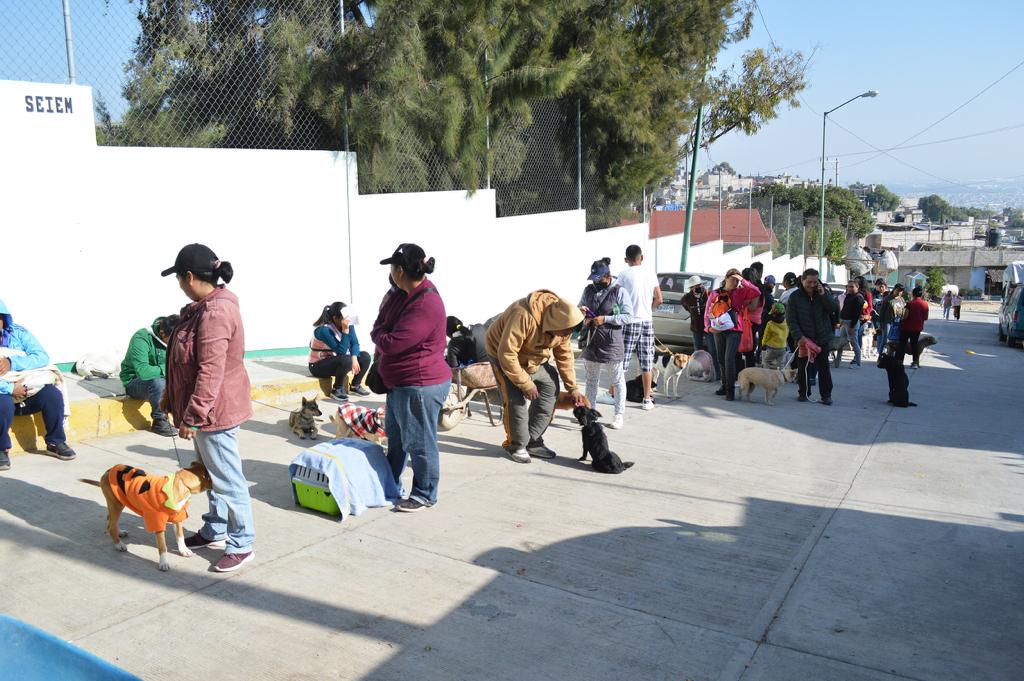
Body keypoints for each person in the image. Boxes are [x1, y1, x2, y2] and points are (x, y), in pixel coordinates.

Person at [161, 243, 255, 573]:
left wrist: (194, 416)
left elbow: (210, 371)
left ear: (189, 276)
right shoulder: (202, 308)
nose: (179, 285)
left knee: (227, 479)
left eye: (178, 279)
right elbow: (184, 364)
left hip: (214, 413)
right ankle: (216, 529)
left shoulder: (215, 313)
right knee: (211, 475)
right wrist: (170, 397)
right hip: (206, 411)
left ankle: (242, 543)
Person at [371, 244, 451, 512]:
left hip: (420, 385)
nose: (390, 273)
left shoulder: (425, 303)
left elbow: (391, 342)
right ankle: (390, 483)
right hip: (401, 385)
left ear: (400, 271)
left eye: (392, 268)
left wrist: (379, 334)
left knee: (420, 443)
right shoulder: (402, 294)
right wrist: (381, 330)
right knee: (396, 442)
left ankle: (424, 494)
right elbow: (381, 323)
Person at [486, 290, 585, 463]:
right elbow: (507, 354)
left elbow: (564, 355)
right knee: (515, 401)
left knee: (550, 388)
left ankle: (532, 440)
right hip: (503, 356)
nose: (567, 335)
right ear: (556, 323)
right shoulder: (523, 315)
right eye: (566, 331)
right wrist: (526, 384)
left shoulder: (565, 325)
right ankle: (516, 445)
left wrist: (573, 387)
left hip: (534, 358)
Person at [0, 299, 77, 471]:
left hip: (26, 389)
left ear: (4, 318)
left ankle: (55, 442)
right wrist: (11, 388)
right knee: (2, 403)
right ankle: (1, 449)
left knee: (52, 395)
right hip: (5, 394)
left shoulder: (19, 334)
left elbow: (41, 357)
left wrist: (12, 362)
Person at [578, 258, 633, 430]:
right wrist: (582, 314)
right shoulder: (588, 290)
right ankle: (590, 414)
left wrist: (606, 319)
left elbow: (628, 316)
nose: (596, 282)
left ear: (608, 275)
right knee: (591, 380)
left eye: (599, 278)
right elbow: (579, 307)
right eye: (594, 278)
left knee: (617, 380)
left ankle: (618, 415)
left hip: (611, 343)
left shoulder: (619, 291)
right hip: (591, 341)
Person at [617, 245, 662, 410]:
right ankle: (647, 399)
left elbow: (616, 296)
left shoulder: (623, 275)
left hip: (630, 321)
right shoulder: (651, 273)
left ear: (626, 260)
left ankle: (614, 394)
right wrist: (648, 310)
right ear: (641, 258)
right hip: (647, 322)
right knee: (646, 362)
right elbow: (659, 299)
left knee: (622, 361)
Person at [704, 268, 761, 401]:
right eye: (733, 279)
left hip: (735, 329)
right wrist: (708, 327)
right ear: (726, 278)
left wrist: (743, 281)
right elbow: (707, 311)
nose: (735, 282)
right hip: (718, 328)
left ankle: (730, 391)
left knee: (729, 359)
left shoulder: (740, 292)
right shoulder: (715, 293)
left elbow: (756, 291)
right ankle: (724, 385)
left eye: (737, 280)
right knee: (721, 358)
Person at [120, 315, 180, 437]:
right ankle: (159, 421)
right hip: (136, 382)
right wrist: (170, 367)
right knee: (159, 382)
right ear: (162, 333)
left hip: (164, 381)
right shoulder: (142, 338)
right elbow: (144, 372)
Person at [786, 268, 838, 405]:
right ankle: (803, 392)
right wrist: (799, 337)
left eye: (815, 282)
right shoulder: (795, 297)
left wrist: (824, 295)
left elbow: (833, 309)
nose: (812, 285)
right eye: (809, 282)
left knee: (824, 368)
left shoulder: (822, 293)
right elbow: (791, 319)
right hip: (804, 338)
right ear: (803, 280)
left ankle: (826, 395)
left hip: (822, 337)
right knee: (803, 368)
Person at [309, 302, 372, 400]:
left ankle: (355, 386)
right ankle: (337, 389)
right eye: (345, 318)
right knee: (346, 360)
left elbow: (355, 343)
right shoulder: (323, 330)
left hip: (336, 361)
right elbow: (341, 351)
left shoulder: (347, 324)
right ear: (335, 318)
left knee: (365, 357)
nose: (348, 320)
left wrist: (354, 358)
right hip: (317, 366)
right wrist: (345, 331)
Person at [680, 275, 719, 379]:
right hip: (696, 327)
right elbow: (686, 306)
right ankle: (698, 372)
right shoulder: (686, 298)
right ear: (691, 287)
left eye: (699, 284)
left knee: (713, 350)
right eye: (695, 285)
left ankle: (717, 373)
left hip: (708, 327)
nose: (698, 287)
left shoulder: (708, 294)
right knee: (697, 351)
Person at [899, 286, 930, 369]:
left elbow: (905, 316)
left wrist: (901, 318)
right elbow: (926, 317)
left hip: (906, 327)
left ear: (913, 294)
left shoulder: (909, 304)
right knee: (914, 345)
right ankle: (915, 362)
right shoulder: (925, 304)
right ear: (921, 294)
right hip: (917, 328)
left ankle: (900, 361)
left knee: (902, 345)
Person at [839, 280, 866, 368]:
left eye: (852, 287)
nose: (849, 288)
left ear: (857, 287)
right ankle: (837, 361)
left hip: (852, 323)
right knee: (840, 342)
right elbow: (844, 309)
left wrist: (852, 326)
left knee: (854, 343)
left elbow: (856, 314)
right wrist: (840, 320)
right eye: (848, 286)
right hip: (844, 321)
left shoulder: (859, 297)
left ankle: (858, 363)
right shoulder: (848, 295)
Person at [878, 283, 906, 356]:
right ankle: (880, 357)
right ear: (894, 289)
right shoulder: (887, 299)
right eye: (898, 290)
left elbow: (904, 310)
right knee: (885, 340)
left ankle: (891, 357)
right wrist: (880, 324)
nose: (899, 292)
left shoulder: (901, 299)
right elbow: (882, 312)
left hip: (897, 323)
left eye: (901, 291)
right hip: (888, 322)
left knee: (895, 341)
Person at [760, 303, 789, 368]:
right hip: (782, 347)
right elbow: (787, 334)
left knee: (767, 361)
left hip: (772, 347)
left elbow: (766, 336)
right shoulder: (786, 323)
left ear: (774, 315)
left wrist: (763, 344)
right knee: (781, 364)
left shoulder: (770, 324)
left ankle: (767, 373)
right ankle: (781, 374)